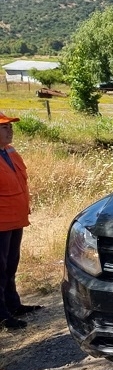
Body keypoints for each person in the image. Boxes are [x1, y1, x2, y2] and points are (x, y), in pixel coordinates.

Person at [0, 111, 42, 330]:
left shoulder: (9, 151)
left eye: (10, 126)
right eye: (4, 127)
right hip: (1, 223)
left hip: (15, 219)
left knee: (10, 265)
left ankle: (13, 305)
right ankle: (2, 315)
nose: (10, 130)